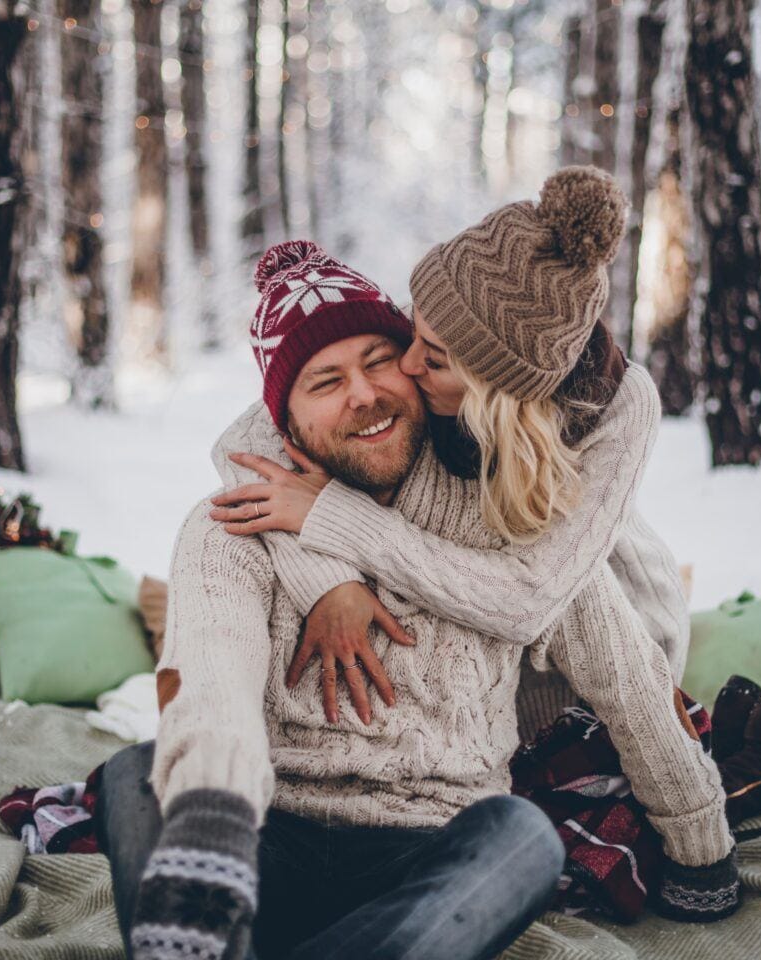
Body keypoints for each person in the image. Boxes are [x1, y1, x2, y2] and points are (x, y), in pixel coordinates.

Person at [96, 243, 738, 960]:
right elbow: (212, 680)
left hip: (437, 853)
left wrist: (702, 849)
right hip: (266, 835)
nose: (363, 394)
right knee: (136, 778)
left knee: (521, 838)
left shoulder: (509, 518)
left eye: (378, 360)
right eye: (325, 380)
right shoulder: (236, 527)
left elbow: (631, 683)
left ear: (417, 367)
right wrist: (214, 826)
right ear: (282, 419)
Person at [207, 167, 687, 740]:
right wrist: (328, 580)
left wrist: (333, 518)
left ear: (495, 387)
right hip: (476, 674)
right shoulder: (448, 320)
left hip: (609, 643)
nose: (407, 366)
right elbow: (247, 445)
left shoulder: (619, 406)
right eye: (413, 331)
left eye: (431, 359)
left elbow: (531, 598)